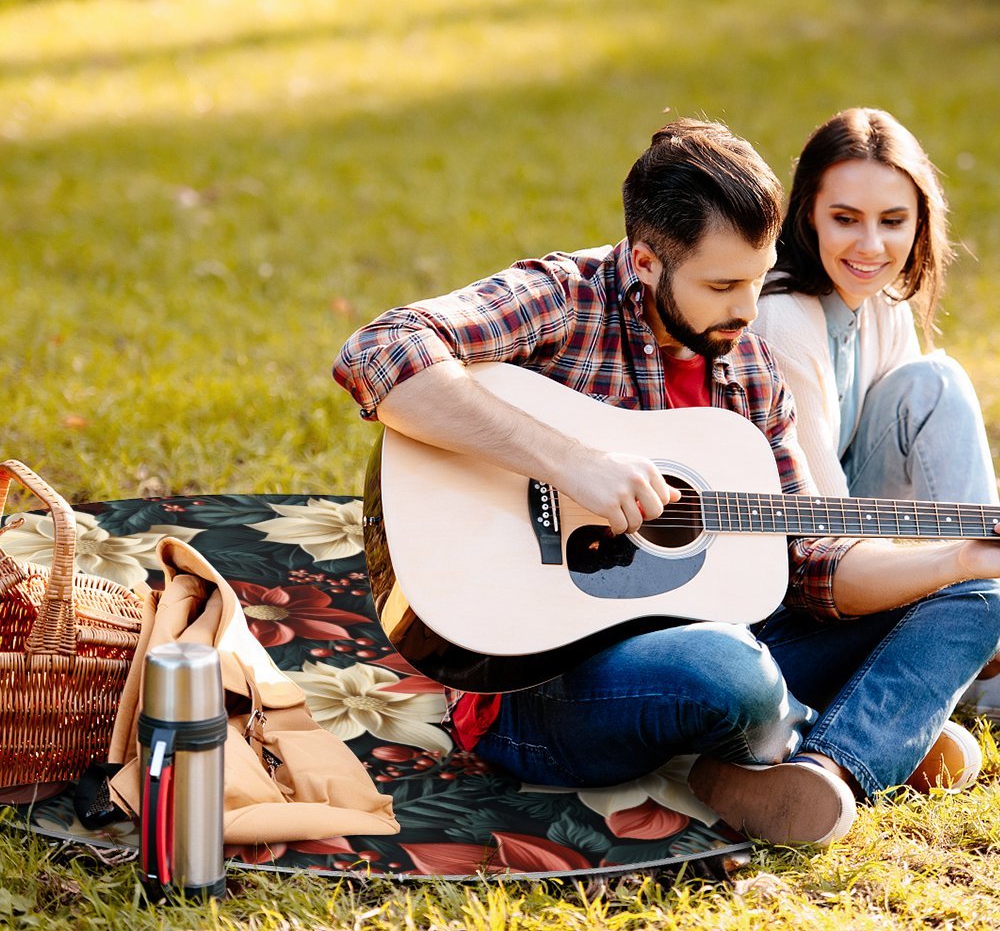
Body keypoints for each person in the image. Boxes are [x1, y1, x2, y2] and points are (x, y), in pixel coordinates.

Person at [333, 119, 1000, 847]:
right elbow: (380, 350)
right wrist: (568, 461)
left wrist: (956, 559)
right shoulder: (564, 298)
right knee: (728, 672)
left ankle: (829, 767)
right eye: (722, 285)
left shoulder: (747, 366)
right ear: (646, 262)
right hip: (540, 686)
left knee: (980, 594)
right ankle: (852, 727)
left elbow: (810, 560)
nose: (748, 311)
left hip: (729, 638)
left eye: (757, 277)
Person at [753, 107, 1000, 717]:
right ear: (807, 212)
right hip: (794, 581)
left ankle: (977, 627)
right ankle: (976, 655)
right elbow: (823, 535)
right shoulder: (783, 316)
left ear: (920, 222)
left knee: (930, 382)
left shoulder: (881, 301)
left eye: (893, 221)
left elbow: (918, 480)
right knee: (937, 382)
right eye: (845, 219)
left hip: (859, 549)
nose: (871, 246)